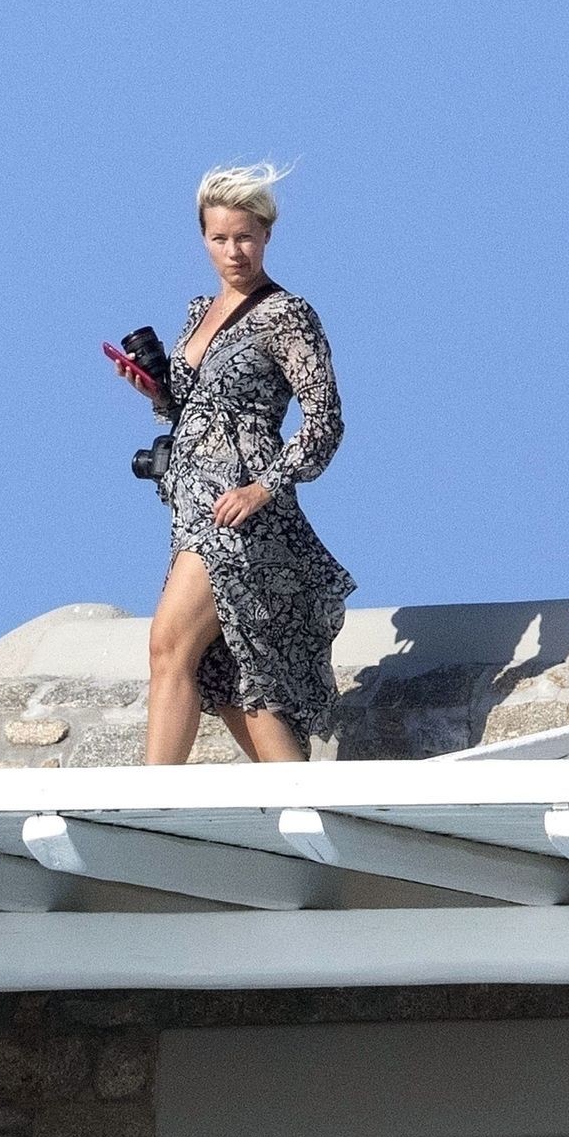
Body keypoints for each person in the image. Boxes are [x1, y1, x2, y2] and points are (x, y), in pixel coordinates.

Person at [115, 163, 356, 764]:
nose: (234, 251)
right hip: (190, 508)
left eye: (245, 237)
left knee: (169, 645)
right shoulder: (199, 311)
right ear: (203, 238)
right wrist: (157, 393)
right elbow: (198, 408)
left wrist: (263, 488)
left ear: (266, 234)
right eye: (220, 238)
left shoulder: (286, 314)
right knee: (232, 677)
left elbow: (325, 422)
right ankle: (304, 795)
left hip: (240, 511)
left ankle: (151, 803)